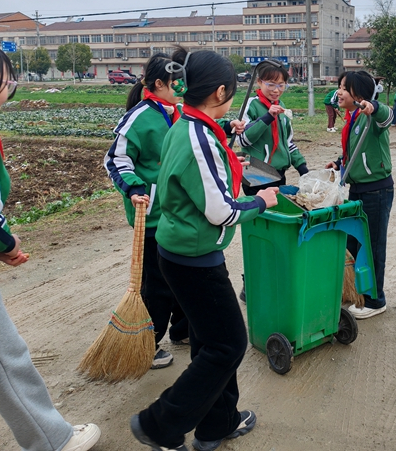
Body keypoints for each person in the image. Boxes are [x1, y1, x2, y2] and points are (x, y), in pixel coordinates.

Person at [0, 36, 100, 451]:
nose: (12, 86)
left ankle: (51, 438)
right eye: (7, 79)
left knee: (8, 357)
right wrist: (6, 245)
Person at [131, 48, 278, 451]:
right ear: (219, 92)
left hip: (184, 252)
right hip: (193, 260)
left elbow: (203, 175)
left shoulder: (189, 123)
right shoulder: (197, 134)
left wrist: (231, 159)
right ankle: (160, 423)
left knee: (209, 342)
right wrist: (262, 201)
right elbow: (221, 212)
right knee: (228, 344)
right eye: (230, 93)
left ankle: (219, 423)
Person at [105, 53, 189, 369]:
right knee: (156, 286)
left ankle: (182, 331)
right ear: (158, 84)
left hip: (178, 212)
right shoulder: (139, 118)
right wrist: (135, 187)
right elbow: (116, 159)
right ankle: (146, 345)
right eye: (176, 82)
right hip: (151, 215)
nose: (182, 86)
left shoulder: (179, 112)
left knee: (180, 275)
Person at [326, 70, 394, 319]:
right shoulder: (352, 117)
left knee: (372, 246)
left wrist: (374, 106)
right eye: (340, 86)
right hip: (357, 189)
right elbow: (355, 150)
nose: (339, 91)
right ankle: (356, 293)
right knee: (352, 244)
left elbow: (388, 117)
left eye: (344, 87)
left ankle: (375, 300)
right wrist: (338, 162)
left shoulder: (371, 118)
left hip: (377, 190)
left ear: (360, 94)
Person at [237, 60, 308, 195]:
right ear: (259, 82)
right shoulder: (251, 105)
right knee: (262, 212)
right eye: (271, 85)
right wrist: (267, 117)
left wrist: (301, 167)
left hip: (278, 172)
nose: (276, 90)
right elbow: (242, 140)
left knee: (279, 209)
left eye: (281, 85)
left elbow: (287, 142)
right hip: (255, 173)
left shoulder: (281, 106)